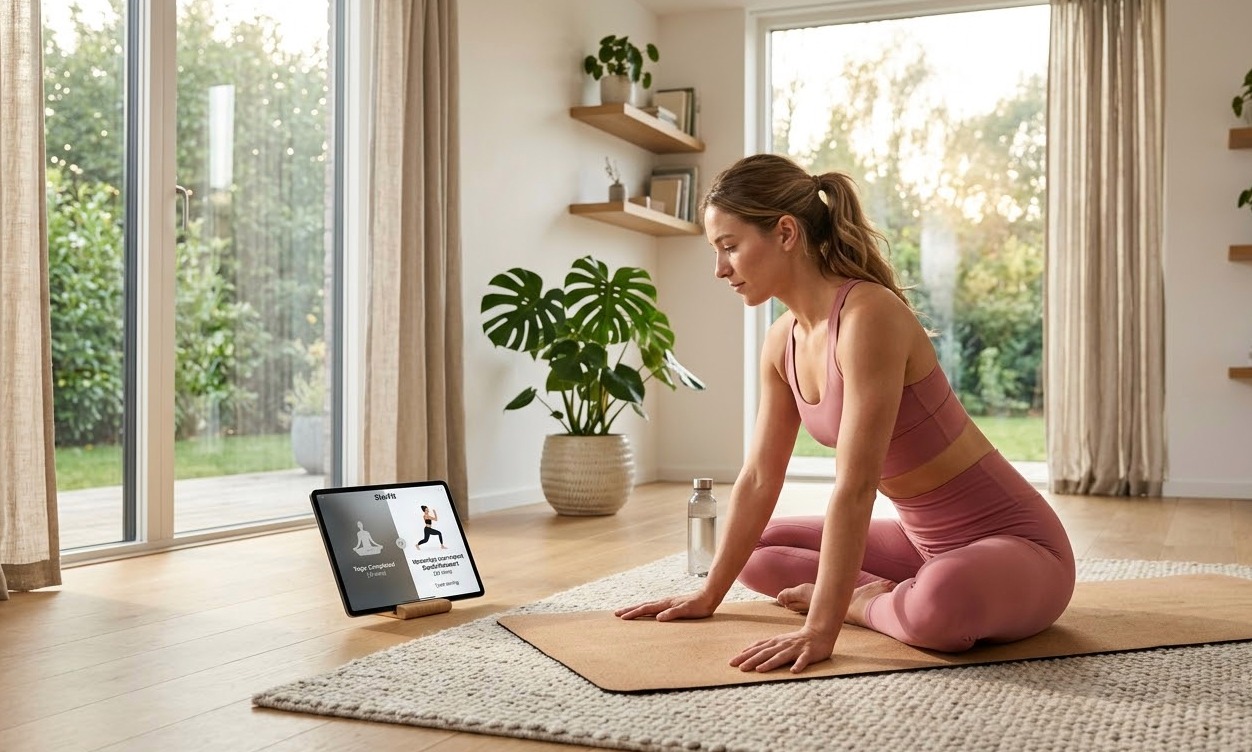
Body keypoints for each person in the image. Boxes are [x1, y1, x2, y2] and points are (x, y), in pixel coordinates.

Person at [615, 153, 1075, 674]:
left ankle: (871, 605)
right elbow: (760, 478)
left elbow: (855, 487)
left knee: (940, 605)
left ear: (785, 232)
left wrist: (824, 623)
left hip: (1017, 549)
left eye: (729, 247)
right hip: (919, 545)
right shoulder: (781, 341)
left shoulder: (867, 316)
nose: (720, 269)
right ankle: (898, 594)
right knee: (758, 551)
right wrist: (707, 596)